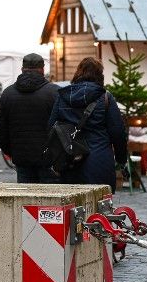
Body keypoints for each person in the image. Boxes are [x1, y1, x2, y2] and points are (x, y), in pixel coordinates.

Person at [48, 57, 128, 193]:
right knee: (100, 209)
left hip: (70, 161)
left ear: (78, 73)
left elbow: (51, 126)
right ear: (100, 75)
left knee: (72, 208)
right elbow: (117, 133)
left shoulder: (63, 97)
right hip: (99, 161)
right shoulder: (106, 98)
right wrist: (121, 160)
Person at [0, 52, 60, 184]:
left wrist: (13, 152)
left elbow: (0, 131)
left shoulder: (8, 94)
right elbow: (64, 126)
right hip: (50, 160)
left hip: (22, 159)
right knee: (50, 202)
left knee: (27, 202)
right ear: (42, 69)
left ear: (22, 69)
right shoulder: (55, 93)